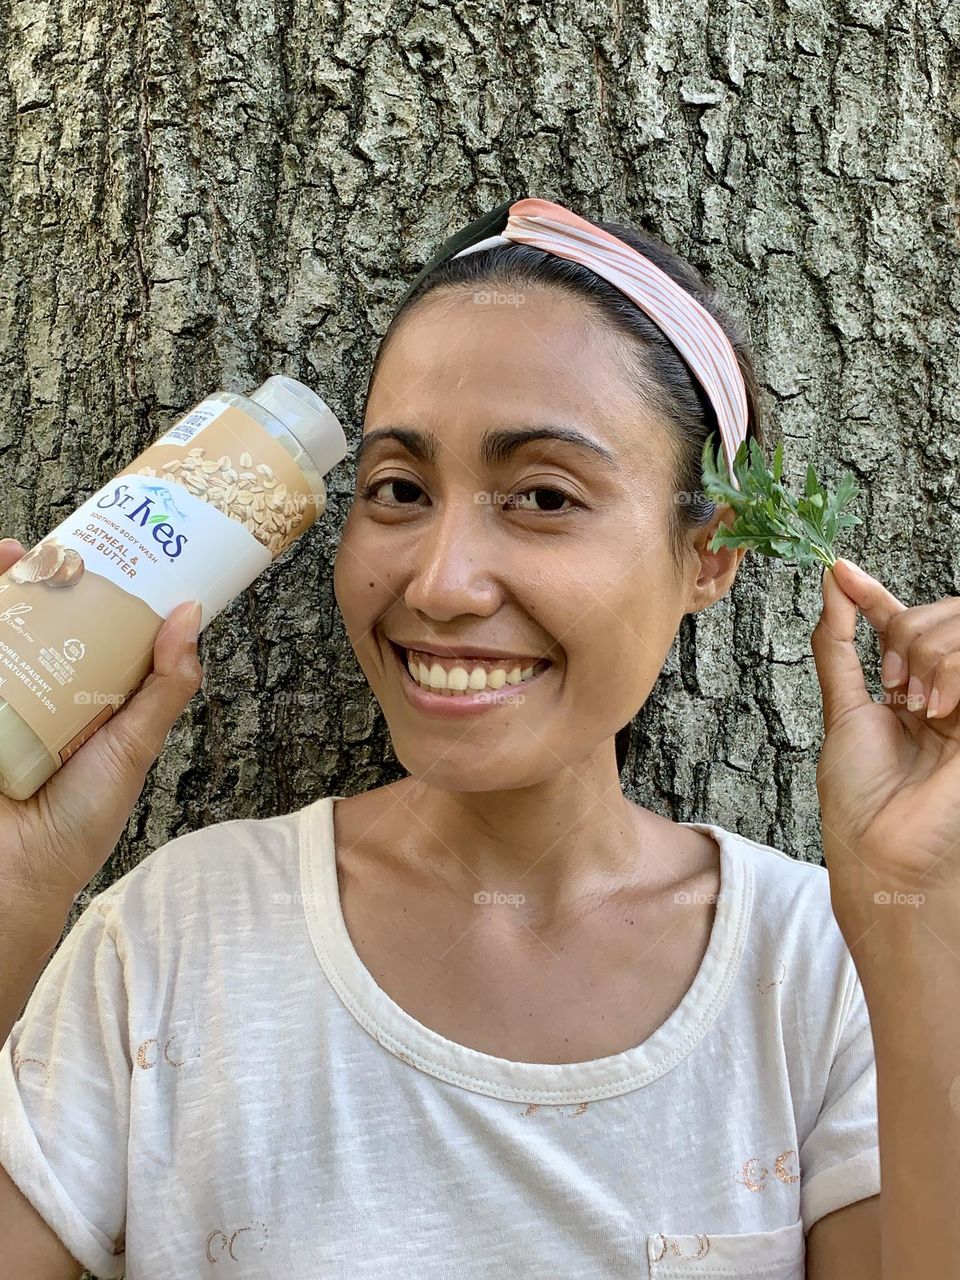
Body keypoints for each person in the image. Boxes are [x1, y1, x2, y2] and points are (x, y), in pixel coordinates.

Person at [0, 198, 882, 1277]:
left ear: (708, 555)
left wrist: (927, 909)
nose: (439, 580)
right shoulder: (178, 936)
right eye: (399, 490)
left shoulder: (821, 968)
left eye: (545, 496)